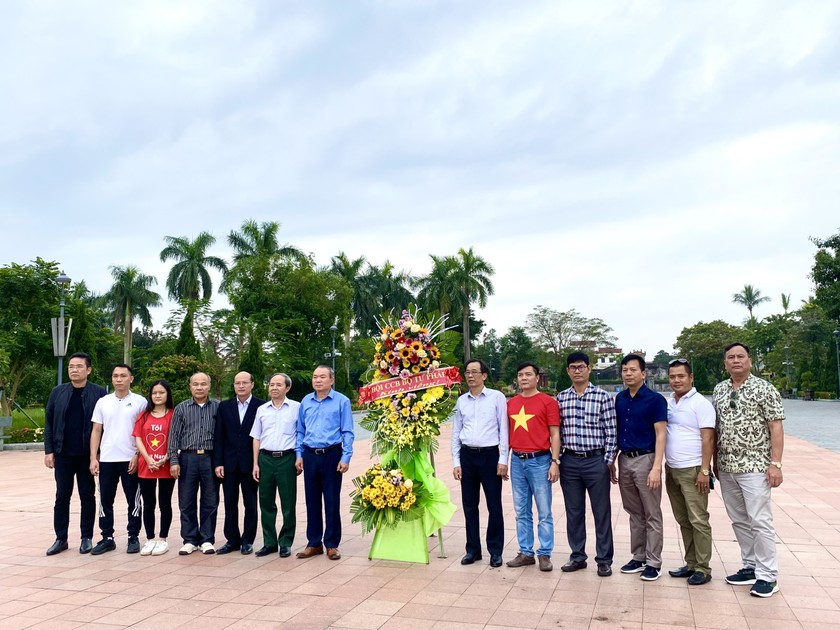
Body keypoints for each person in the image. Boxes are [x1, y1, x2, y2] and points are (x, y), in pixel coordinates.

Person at [713, 342, 785, 598]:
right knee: (739, 519)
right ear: (725, 363)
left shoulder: (764, 389)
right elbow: (716, 429)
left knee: (760, 520)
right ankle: (751, 566)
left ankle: (768, 575)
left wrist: (775, 464)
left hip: (755, 466)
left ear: (750, 361)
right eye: (730, 357)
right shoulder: (720, 389)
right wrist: (714, 463)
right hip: (727, 466)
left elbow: (776, 427)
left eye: (740, 356)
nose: (735, 361)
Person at [556, 351, 617, 577]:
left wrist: (607, 462)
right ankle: (578, 556)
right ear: (568, 371)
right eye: (573, 367)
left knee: (601, 511)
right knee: (574, 511)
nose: (577, 371)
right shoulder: (561, 398)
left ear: (589, 368)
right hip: (570, 461)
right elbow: (558, 432)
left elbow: (611, 432)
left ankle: (603, 559)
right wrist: (559, 459)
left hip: (595, 461)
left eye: (581, 367)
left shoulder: (602, 397)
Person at [43, 352, 107, 556]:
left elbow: (103, 426)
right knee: (62, 496)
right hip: (62, 454)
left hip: (86, 455)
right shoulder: (58, 392)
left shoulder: (99, 394)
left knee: (87, 495)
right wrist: (49, 450)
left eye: (79, 366)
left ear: (88, 370)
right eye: (71, 366)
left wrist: (96, 455)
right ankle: (60, 538)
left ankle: (86, 537)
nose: (74, 370)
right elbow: (49, 422)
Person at [613, 353, 668, 581]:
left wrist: (657, 467)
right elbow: (618, 431)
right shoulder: (620, 399)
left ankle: (654, 561)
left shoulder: (655, 400)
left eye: (633, 370)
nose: (628, 373)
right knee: (634, 512)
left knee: (651, 512)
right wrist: (613, 460)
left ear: (643, 373)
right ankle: (638, 556)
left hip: (646, 460)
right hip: (625, 459)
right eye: (625, 370)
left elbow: (661, 433)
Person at [451, 359, 509, 568]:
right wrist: (456, 461)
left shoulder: (497, 397)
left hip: (489, 457)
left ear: (484, 375)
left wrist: (503, 459)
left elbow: (504, 430)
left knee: (494, 505)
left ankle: (495, 551)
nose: (470, 376)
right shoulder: (461, 401)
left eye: (475, 372)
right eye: (467, 372)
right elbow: (456, 432)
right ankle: (473, 550)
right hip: (467, 456)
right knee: (469, 506)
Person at [664, 358, 716, 585]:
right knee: (683, 519)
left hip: (693, 469)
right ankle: (691, 563)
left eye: (681, 376)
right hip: (672, 469)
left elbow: (708, 438)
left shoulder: (700, 404)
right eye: (672, 377)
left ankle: (703, 568)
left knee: (698, 519)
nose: (676, 380)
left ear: (691, 378)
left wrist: (705, 470)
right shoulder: (670, 402)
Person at [505, 362, 560, 572]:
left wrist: (554, 462)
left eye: (528, 374)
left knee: (544, 510)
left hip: (540, 460)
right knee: (521, 510)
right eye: (520, 375)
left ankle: (544, 553)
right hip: (517, 460)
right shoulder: (511, 403)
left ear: (537, 378)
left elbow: (555, 434)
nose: (524, 378)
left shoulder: (548, 402)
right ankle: (525, 551)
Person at [295, 366, 354, 560]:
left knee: (331, 501)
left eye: (322, 377)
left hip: (332, 455)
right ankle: (314, 543)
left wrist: (345, 457)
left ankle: (331, 544)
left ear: (331, 380)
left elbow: (347, 431)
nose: (317, 380)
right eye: (315, 377)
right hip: (310, 455)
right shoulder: (306, 401)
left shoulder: (341, 401)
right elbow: (300, 431)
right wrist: (299, 454)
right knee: (311, 501)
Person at [89, 364, 147, 555]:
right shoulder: (103, 402)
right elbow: (96, 430)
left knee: (134, 500)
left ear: (131, 379)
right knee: (105, 500)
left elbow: (143, 432)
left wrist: (137, 455)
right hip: (107, 459)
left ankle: (133, 536)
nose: (119, 379)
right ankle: (107, 537)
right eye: (115, 376)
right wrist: (93, 458)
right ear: (112, 379)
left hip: (130, 458)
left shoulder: (140, 402)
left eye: (123, 376)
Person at [167, 372, 220, 555]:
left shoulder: (218, 407)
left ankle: (206, 539)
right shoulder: (181, 408)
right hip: (187, 458)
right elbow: (173, 437)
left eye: (203, 384)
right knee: (186, 500)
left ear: (209, 386)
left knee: (210, 500)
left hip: (210, 458)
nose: (199, 387)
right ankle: (189, 539)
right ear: (190, 386)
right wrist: (174, 461)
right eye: (195, 384)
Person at [214, 371, 265, 555]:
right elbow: (219, 435)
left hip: (251, 464)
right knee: (229, 503)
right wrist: (218, 462)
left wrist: (257, 462)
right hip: (228, 464)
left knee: (250, 503)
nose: (241, 386)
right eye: (237, 383)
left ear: (252, 384)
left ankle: (247, 540)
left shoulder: (261, 406)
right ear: (234, 385)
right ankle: (232, 539)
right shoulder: (224, 407)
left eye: (245, 382)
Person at [252, 373, 301, 558]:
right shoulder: (262, 409)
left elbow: (301, 435)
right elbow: (256, 437)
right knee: (266, 503)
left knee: (288, 503)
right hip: (265, 459)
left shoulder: (296, 408)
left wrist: (299, 457)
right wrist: (255, 463)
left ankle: (286, 542)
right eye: (271, 384)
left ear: (287, 388)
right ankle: (269, 542)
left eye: (278, 384)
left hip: (287, 459)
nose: (274, 387)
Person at [133, 379, 176, 556]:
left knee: (165, 503)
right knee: (148, 503)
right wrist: (148, 458)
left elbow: (175, 438)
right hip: (146, 466)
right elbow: (138, 438)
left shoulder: (173, 414)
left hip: (166, 466)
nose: (157, 396)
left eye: (161, 392)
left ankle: (163, 539)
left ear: (167, 395)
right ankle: (150, 538)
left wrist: (166, 457)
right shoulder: (143, 415)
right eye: (154, 393)